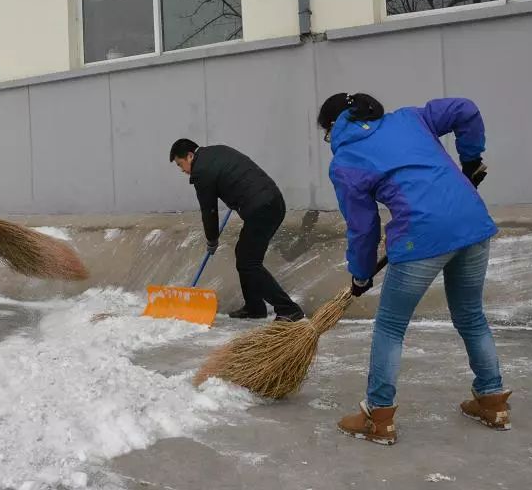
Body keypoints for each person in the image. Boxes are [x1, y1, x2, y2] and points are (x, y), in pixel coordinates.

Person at [318, 92, 509, 446]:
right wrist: (470, 160)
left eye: (326, 135)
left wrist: (361, 273)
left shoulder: (346, 161)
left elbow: (362, 227)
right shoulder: (408, 118)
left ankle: (379, 417)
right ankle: (492, 400)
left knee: (390, 326)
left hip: (421, 237)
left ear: (333, 127)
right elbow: (466, 108)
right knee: (470, 315)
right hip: (471, 222)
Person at [170, 139, 304, 322]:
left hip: (261, 208)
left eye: (181, 164)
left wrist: (212, 239)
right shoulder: (217, 151)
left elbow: (209, 210)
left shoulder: (201, 171)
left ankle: (289, 309)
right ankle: (254, 307)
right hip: (272, 201)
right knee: (244, 255)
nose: (183, 171)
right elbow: (236, 174)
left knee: (249, 262)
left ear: (190, 156)